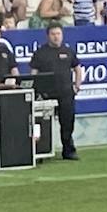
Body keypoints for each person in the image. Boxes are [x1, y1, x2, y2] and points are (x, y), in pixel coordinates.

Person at [29, 24, 82, 160]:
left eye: (58, 34)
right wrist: (35, 90)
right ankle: (39, 150)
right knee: (40, 122)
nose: (56, 37)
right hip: (46, 94)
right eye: (53, 34)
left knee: (67, 122)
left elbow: (77, 68)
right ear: (48, 36)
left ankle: (68, 150)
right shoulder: (40, 53)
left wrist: (77, 86)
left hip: (65, 92)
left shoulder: (68, 51)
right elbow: (33, 73)